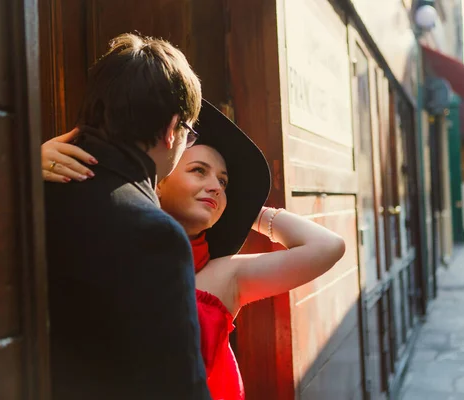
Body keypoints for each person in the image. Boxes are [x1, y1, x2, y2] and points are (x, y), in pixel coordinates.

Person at [42, 99, 346, 399]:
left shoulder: (225, 275)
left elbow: (327, 246)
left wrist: (250, 211)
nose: (215, 185)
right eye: (199, 171)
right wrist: (34, 164)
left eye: (223, 183)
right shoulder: (108, 241)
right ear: (157, 180)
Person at [42, 33, 211, 399]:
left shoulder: (21, 191)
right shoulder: (154, 234)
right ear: (172, 129)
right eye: (189, 132)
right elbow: (180, 387)